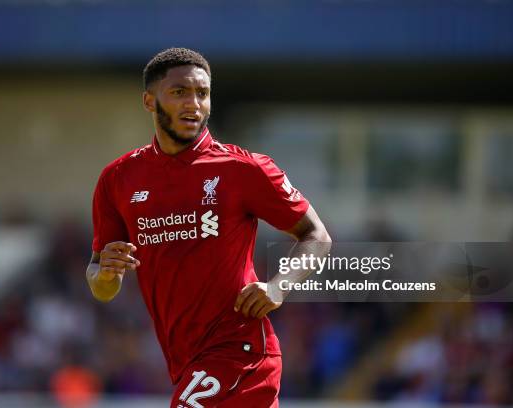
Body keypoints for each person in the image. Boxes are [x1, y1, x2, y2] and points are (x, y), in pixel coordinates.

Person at [86, 47, 331, 407]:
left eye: (202, 93)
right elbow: (101, 284)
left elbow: (317, 237)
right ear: (149, 101)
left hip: (242, 353)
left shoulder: (243, 169)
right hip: (187, 362)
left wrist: (279, 287)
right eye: (179, 92)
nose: (193, 104)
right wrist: (105, 273)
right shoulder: (118, 179)